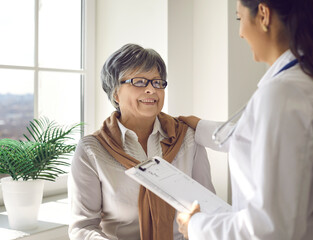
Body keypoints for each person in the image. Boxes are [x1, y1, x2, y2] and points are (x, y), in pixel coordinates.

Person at [176, 0, 313, 239]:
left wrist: (196, 225)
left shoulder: (282, 95)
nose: (240, 33)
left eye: (239, 19)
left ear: (263, 15)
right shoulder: (310, 84)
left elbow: (269, 228)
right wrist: (197, 125)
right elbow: (260, 144)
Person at [68, 43, 215, 240]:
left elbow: (208, 209)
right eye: (139, 82)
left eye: (157, 82)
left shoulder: (187, 137)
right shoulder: (92, 150)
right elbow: (83, 227)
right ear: (115, 93)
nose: (150, 89)